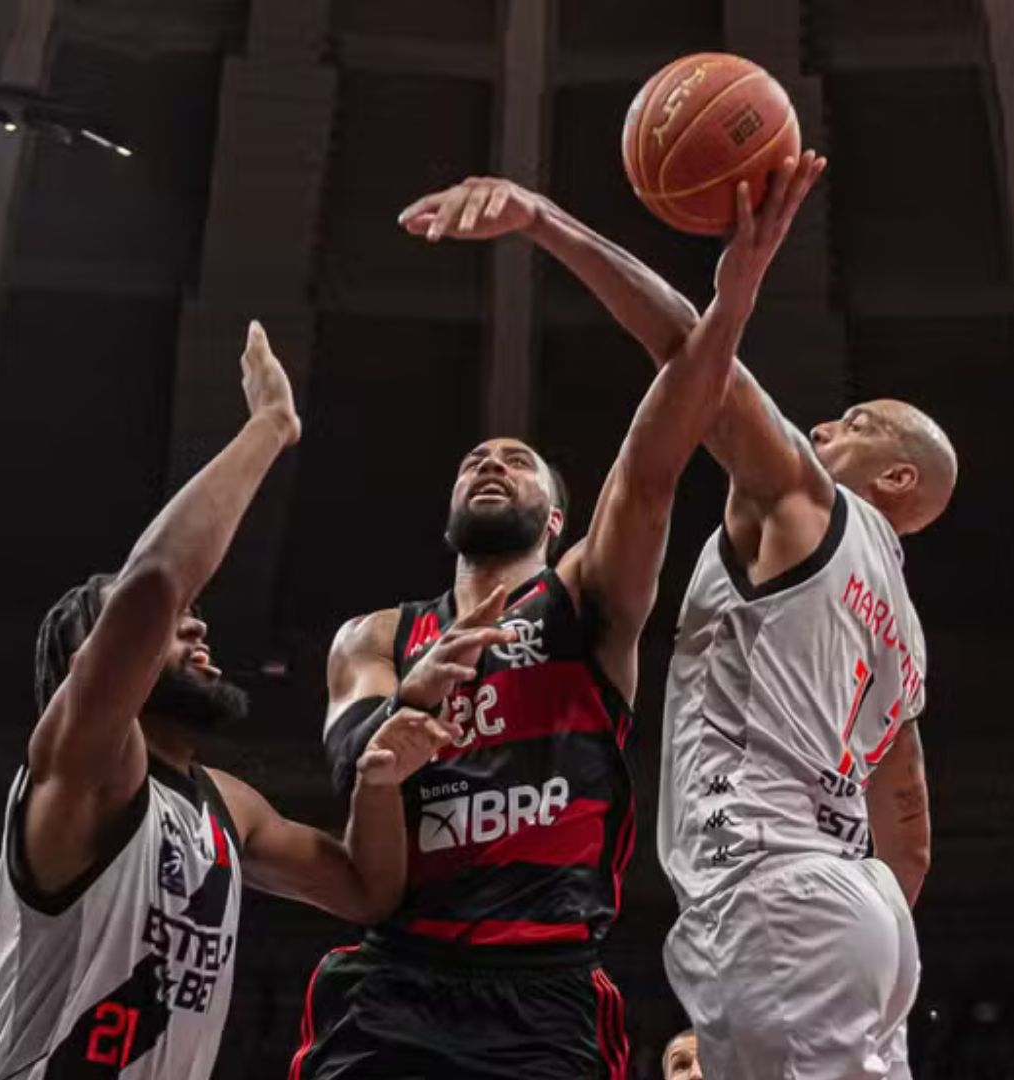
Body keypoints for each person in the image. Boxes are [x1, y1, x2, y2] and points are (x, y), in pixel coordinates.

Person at [408, 160, 951, 1080]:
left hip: (773, 881)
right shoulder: (901, 625)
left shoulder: (803, 500)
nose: (822, 429)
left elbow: (686, 354)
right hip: (857, 906)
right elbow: (914, 836)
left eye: (852, 422)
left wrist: (549, 221)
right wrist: (856, 920)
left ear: (897, 480)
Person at [286, 160, 815, 1080]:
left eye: (518, 461)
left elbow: (659, 452)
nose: (492, 463)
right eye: (475, 460)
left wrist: (718, 301)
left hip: (546, 990)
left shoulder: (585, 601)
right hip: (397, 979)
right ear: (447, 511)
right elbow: (354, 766)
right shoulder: (372, 637)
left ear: (559, 518)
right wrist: (410, 700)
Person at [0, 323, 462, 1080]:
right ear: (92, 662)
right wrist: (268, 428)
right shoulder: (83, 767)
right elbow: (156, 583)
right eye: (164, 629)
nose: (195, 622)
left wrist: (380, 778)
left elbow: (366, 889)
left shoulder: (225, 807)